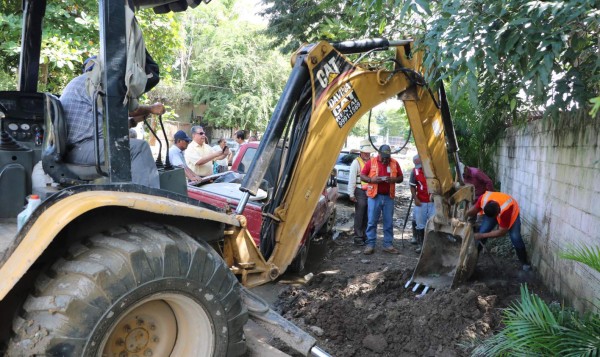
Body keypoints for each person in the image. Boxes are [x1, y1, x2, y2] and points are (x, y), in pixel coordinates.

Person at [466, 191, 531, 271]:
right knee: (483, 232)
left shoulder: (506, 210)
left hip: (511, 213)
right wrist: (465, 215)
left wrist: (481, 235)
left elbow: (502, 232)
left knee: (515, 237)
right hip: (495, 209)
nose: (496, 219)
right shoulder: (483, 199)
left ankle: (525, 264)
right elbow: (474, 209)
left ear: (498, 211)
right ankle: (472, 261)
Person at [359, 144, 403, 255]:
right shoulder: (371, 162)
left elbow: (401, 178)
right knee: (372, 222)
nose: (385, 160)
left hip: (389, 197)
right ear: (379, 154)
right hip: (375, 197)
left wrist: (393, 179)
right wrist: (371, 179)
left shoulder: (394, 163)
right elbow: (362, 175)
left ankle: (387, 245)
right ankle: (370, 244)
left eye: (387, 158)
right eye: (383, 157)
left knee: (388, 222)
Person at [348, 139, 375, 246]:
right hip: (360, 190)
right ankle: (358, 236)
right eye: (365, 153)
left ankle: (366, 235)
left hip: (371, 190)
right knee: (360, 213)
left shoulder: (373, 161)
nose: (367, 154)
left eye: (368, 153)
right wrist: (351, 194)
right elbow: (352, 179)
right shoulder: (356, 162)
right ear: (361, 153)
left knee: (369, 214)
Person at [409, 154, 435, 253]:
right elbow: (412, 186)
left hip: (433, 202)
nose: (420, 168)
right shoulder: (414, 171)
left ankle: (431, 245)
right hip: (421, 201)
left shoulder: (433, 170)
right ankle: (421, 246)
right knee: (420, 224)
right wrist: (415, 198)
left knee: (433, 223)